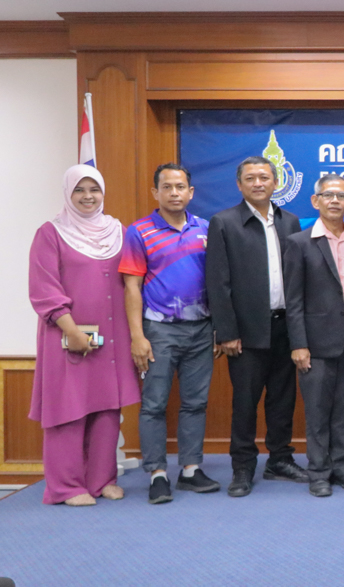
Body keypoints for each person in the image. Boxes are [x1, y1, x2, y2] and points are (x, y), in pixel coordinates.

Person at [28, 165, 141, 506]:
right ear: (68, 193)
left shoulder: (118, 231)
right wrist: (71, 329)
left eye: (94, 189)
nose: (88, 196)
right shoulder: (51, 233)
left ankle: (102, 479)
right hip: (67, 337)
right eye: (80, 190)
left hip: (113, 336)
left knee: (107, 407)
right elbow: (44, 288)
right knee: (69, 409)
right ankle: (65, 487)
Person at [206, 156, 308, 497]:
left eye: (264, 177)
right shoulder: (224, 222)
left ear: (275, 182)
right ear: (239, 185)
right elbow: (217, 283)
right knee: (245, 402)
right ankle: (243, 467)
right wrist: (227, 331)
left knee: (283, 399)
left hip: (285, 326)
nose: (258, 183)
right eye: (250, 178)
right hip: (245, 332)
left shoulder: (290, 221)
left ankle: (280, 459)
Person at [120, 163, 221, 504]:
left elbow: (219, 283)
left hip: (201, 330)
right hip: (158, 331)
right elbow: (131, 287)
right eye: (167, 187)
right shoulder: (139, 232)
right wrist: (137, 336)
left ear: (191, 192)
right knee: (153, 405)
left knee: (195, 403)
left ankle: (190, 470)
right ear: (156, 192)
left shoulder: (207, 229)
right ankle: (157, 475)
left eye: (181, 187)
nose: (174, 193)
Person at [283, 174, 344, 497]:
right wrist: (298, 344)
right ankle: (318, 472)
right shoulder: (299, 243)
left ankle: (343, 468)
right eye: (327, 195)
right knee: (317, 410)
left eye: (341, 195)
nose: (335, 200)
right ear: (315, 201)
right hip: (314, 342)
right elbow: (294, 300)